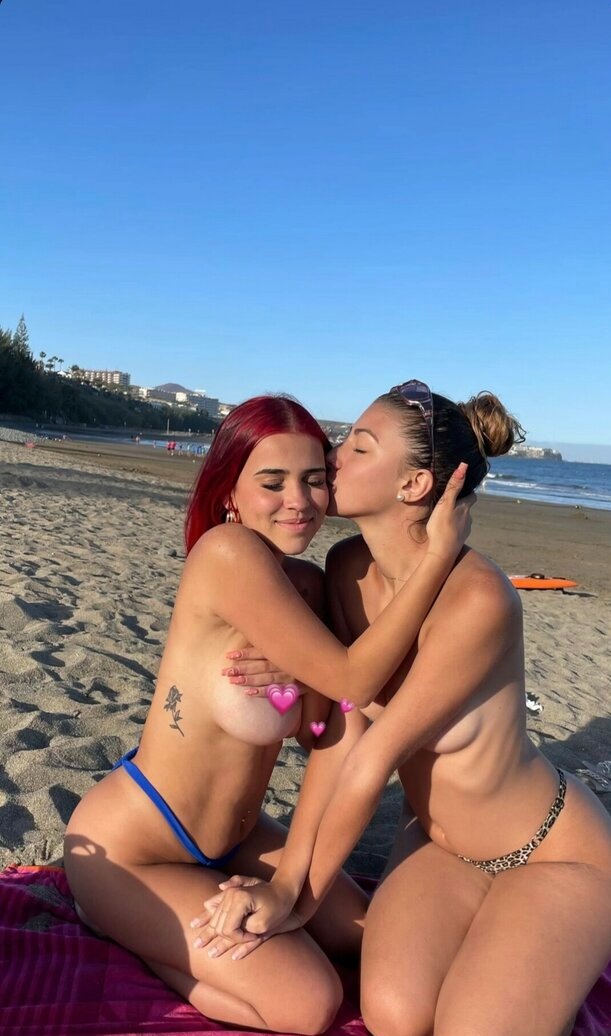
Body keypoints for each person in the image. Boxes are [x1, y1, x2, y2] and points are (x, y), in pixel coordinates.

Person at [195, 382, 611, 1036]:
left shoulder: (479, 600)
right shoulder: (345, 568)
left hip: (549, 852)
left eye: (358, 447)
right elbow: (338, 727)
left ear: (413, 485)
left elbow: (373, 759)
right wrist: (303, 673)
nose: (333, 457)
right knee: (394, 1016)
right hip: (436, 842)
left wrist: (291, 897)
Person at [64, 393, 472, 1035]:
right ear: (230, 490)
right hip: (136, 847)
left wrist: (310, 681)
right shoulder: (226, 553)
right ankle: (128, 931)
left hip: (237, 840)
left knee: (363, 935)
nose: (299, 501)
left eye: (314, 479)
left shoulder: (305, 586)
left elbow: (326, 729)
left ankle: (169, 931)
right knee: (308, 1003)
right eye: (273, 482)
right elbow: (355, 679)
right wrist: (438, 557)